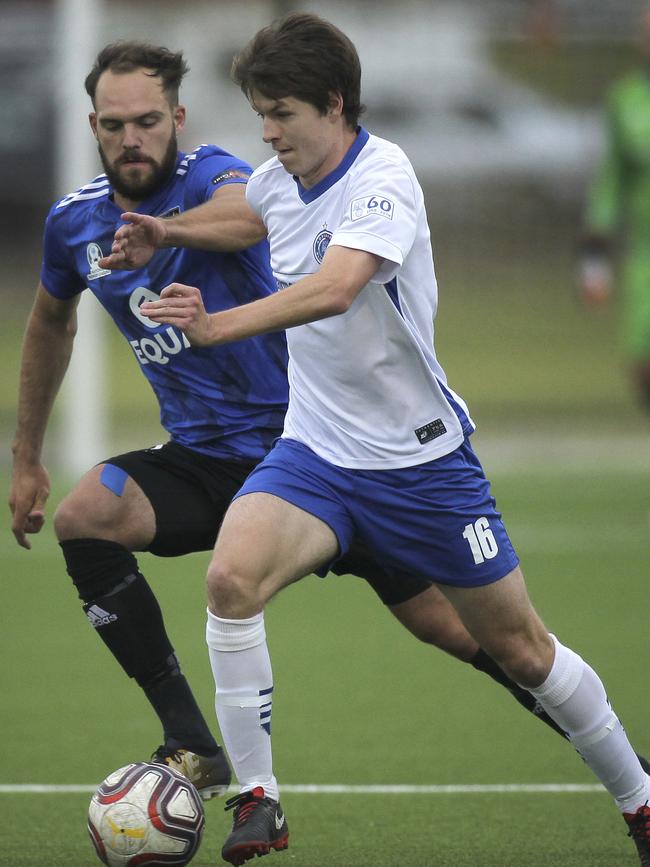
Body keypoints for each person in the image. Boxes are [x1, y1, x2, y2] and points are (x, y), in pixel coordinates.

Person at [11, 39, 633, 816]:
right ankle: (215, 763)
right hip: (260, 462)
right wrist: (26, 455)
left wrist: (176, 245)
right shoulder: (79, 224)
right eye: (112, 125)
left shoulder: (238, 177)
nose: (129, 138)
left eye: (145, 121)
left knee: (487, 639)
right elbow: (49, 321)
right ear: (92, 126)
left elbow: (269, 230)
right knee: (110, 525)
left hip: (364, 449)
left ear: (176, 118)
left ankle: (631, 778)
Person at [579, 4, 650, 410]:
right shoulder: (626, 100)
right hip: (644, 254)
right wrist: (594, 264)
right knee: (642, 364)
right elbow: (610, 186)